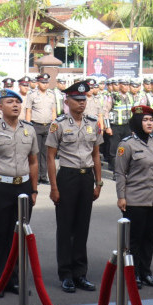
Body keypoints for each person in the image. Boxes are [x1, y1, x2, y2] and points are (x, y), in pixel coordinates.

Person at [0, 88, 39, 296]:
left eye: (18, 102)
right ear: (0, 106)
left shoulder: (29, 130)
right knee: (0, 234)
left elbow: (33, 161)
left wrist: (34, 189)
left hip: (23, 188)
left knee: (20, 235)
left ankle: (15, 279)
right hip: (0, 187)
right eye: (10, 102)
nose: (15, 105)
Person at [46, 81, 103, 293]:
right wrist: (53, 187)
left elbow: (96, 155)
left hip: (86, 177)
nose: (81, 103)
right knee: (65, 227)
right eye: (77, 100)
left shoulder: (93, 123)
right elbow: (50, 157)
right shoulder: (58, 124)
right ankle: (66, 274)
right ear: (67, 101)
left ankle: (81, 273)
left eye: (83, 100)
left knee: (82, 227)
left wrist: (98, 182)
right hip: (67, 177)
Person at [115, 105, 153, 289]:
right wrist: (121, 196)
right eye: (145, 120)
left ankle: (146, 272)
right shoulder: (127, 144)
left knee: (149, 238)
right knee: (134, 240)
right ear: (137, 122)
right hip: (135, 200)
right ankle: (133, 273)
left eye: (151, 120)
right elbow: (120, 173)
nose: (149, 123)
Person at [24, 73, 56, 184]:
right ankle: (35, 176)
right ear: (37, 83)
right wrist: (27, 127)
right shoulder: (32, 95)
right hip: (35, 125)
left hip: (48, 126)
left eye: (47, 82)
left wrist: (54, 126)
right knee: (35, 153)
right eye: (43, 82)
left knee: (46, 153)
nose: (45, 85)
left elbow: (53, 111)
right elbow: (28, 111)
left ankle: (43, 176)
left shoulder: (51, 95)